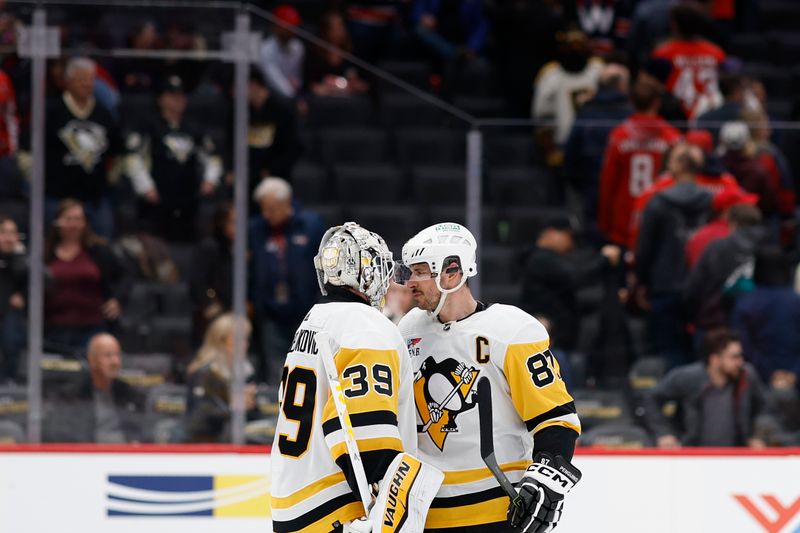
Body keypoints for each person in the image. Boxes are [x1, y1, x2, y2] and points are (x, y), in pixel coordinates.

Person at [396, 223, 582, 533]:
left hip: (497, 511)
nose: (410, 282)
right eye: (410, 272)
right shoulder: (409, 329)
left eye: (419, 272)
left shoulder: (511, 330)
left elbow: (555, 418)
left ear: (452, 272)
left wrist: (546, 481)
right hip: (425, 512)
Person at [270, 221, 417, 532]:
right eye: (380, 265)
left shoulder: (315, 319)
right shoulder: (366, 326)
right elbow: (363, 429)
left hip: (293, 500)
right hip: (339, 510)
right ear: (364, 270)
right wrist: (385, 511)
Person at [635, 143, 713, 367]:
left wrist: (641, 282)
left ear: (675, 167)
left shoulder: (658, 203)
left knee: (669, 351)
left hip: (665, 285)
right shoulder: (710, 202)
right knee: (699, 350)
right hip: (701, 286)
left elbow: (645, 249)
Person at [124, 75, 222, 241]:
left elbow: (213, 157)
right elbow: (133, 158)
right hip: (156, 199)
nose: (178, 100)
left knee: (187, 246)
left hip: (188, 198)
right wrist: (145, 187)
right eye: (172, 95)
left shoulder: (193, 127)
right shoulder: (148, 125)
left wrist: (210, 180)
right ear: (161, 99)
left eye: (181, 95)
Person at [248, 177, 325, 385]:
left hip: (306, 314)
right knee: (276, 374)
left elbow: (325, 266)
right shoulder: (255, 229)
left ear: (286, 204)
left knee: (306, 368)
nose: (266, 215)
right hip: (271, 314)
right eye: (263, 209)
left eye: (271, 209)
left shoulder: (311, 225)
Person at [642, 328, 767, 448]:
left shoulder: (746, 376)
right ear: (715, 359)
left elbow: (764, 409)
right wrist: (664, 433)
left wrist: (758, 436)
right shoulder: (688, 378)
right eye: (734, 357)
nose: (740, 362)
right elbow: (651, 399)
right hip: (694, 456)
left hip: (735, 456)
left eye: (741, 356)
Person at [41, 57, 122, 238]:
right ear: (68, 81)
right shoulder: (52, 110)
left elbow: (117, 151)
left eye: (91, 79)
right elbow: (30, 150)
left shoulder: (104, 113)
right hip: (58, 196)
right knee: (54, 245)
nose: (87, 84)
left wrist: (110, 179)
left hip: (95, 197)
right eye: (81, 79)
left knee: (102, 246)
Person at [597, 79, 681, 248]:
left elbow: (607, 183)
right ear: (657, 103)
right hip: (660, 215)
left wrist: (604, 223)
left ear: (632, 101)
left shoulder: (619, 135)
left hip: (624, 217)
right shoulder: (671, 136)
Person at [44, 199, 128, 352]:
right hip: (55, 328)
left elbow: (126, 274)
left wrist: (118, 299)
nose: (73, 224)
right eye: (68, 219)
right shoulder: (45, 253)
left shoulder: (99, 250)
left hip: (92, 326)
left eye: (78, 219)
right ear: (57, 222)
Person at [43, 333, 145, 443]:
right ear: (92, 359)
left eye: (117, 355)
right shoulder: (73, 395)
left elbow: (142, 431)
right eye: (108, 355)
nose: (115, 361)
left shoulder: (130, 394)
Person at [564, 63, 632, 229]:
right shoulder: (631, 113)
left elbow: (571, 152)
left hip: (592, 185)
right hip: (626, 190)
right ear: (622, 85)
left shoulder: (586, 112)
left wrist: (577, 182)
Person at [683, 203, 764, 341]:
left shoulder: (716, 248)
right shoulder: (771, 250)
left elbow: (693, 289)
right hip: (758, 326)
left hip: (716, 325)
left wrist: (695, 317)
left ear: (732, 223)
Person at [731, 246, 800, 386]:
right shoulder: (795, 302)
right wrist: (794, 373)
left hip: (759, 379)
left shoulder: (747, 304)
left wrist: (769, 373)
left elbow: (743, 345)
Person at [184, 313, 257, 443]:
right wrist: (232, 407)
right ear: (221, 341)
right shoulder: (204, 373)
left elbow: (253, 416)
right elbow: (199, 417)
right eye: (239, 339)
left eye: (246, 339)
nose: (246, 344)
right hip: (206, 445)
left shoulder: (247, 372)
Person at [533, 29, 603, 152]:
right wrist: (549, 147)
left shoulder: (598, 70)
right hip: (562, 143)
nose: (575, 50)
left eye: (579, 46)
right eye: (571, 46)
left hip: (596, 144)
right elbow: (541, 114)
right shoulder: (550, 74)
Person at [652, 3, 726, 119]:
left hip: (675, 117)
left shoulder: (663, 52)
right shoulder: (716, 52)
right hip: (709, 117)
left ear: (674, 25)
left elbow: (651, 87)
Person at [190, 202, 234, 344]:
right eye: (233, 222)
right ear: (222, 223)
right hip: (213, 312)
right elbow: (197, 281)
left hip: (232, 312)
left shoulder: (237, 248)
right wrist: (210, 303)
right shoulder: (210, 247)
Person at [304, 11, 370, 97]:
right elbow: (309, 83)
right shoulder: (315, 53)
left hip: (346, 98)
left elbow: (357, 78)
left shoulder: (351, 52)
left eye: (342, 26)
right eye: (336, 27)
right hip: (322, 99)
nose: (341, 31)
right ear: (326, 30)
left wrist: (356, 84)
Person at [259, 5, 305, 99]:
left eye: (293, 26)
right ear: (276, 27)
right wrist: (293, 96)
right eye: (287, 27)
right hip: (271, 93)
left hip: (293, 92)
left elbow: (296, 76)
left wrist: (296, 85)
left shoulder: (298, 47)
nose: (291, 31)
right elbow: (273, 79)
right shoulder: (266, 49)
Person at [0, 215, 26, 382]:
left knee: (11, 337)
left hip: (11, 317)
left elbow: (46, 281)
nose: (9, 238)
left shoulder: (23, 260)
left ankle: (10, 378)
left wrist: (24, 296)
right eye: (4, 232)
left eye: (13, 233)